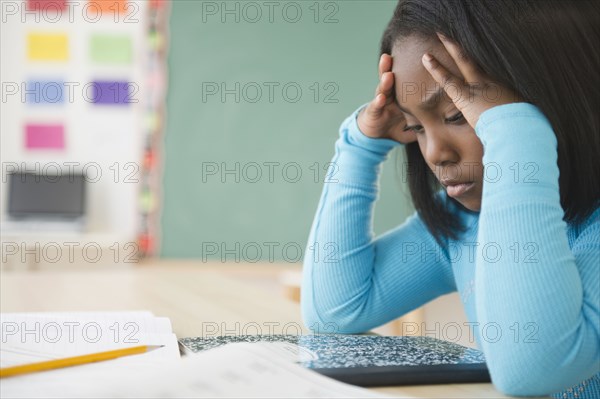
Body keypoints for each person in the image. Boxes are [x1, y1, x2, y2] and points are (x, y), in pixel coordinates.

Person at [300, 0, 600, 397]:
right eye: (414, 127)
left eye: (458, 114)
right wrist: (359, 144)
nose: (434, 154)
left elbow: (532, 371)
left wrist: (514, 132)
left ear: (557, 88)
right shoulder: (461, 225)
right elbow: (335, 312)